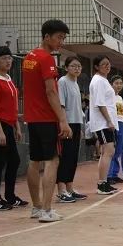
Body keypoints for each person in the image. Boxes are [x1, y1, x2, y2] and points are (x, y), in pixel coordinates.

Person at [22, 20, 73, 223]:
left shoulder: (29, 57)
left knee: (35, 161)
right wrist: (63, 119)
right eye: (59, 37)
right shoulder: (46, 58)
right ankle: (46, 210)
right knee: (52, 160)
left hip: (32, 118)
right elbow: (51, 91)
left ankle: (36, 207)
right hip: (46, 117)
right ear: (46, 36)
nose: (61, 42)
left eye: (63, 38)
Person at [0, 46, 28, 210]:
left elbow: (12, 106)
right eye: (4, 58)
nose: (8, 61)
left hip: (8, 124)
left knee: (14, 160)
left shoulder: (8, 79)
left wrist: (17, 126)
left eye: (9, 58)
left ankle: (10, 197)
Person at [56, 56, 88, 203]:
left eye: (79, 66)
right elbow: (61, 105)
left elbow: (77, 108)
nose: (77, 68)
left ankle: (70, 188)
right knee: (66, 156)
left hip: (76, 123)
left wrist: (80, 126)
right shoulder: (62, 82)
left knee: (73, 157)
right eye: (73, 66)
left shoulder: (75, 83)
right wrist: (64, 124)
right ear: (66, 67)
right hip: (67, 123)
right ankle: (61, 190)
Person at [89, 56, 119, 195]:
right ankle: (101, 183)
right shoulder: (98, 81)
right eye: (103, 64)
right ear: (96, 66)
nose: (107, 66)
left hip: (106, 122)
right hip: (103, 122)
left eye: (108, 63)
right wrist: (108, 121)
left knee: (107, 152)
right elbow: (100, 103)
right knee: (108, 151)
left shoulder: (103, 80)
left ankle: (104, 181)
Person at [107, 75, 123, 184]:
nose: (119, 85)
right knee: (112, 150)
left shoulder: (120, 97)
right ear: (111, 84)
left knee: (119, 150)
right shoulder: (109, 96)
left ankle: (114, 173)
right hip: (113, 124)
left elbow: (120, 113)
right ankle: (109, 175)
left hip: (121, 123)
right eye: (116, 83)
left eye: (120, 83)